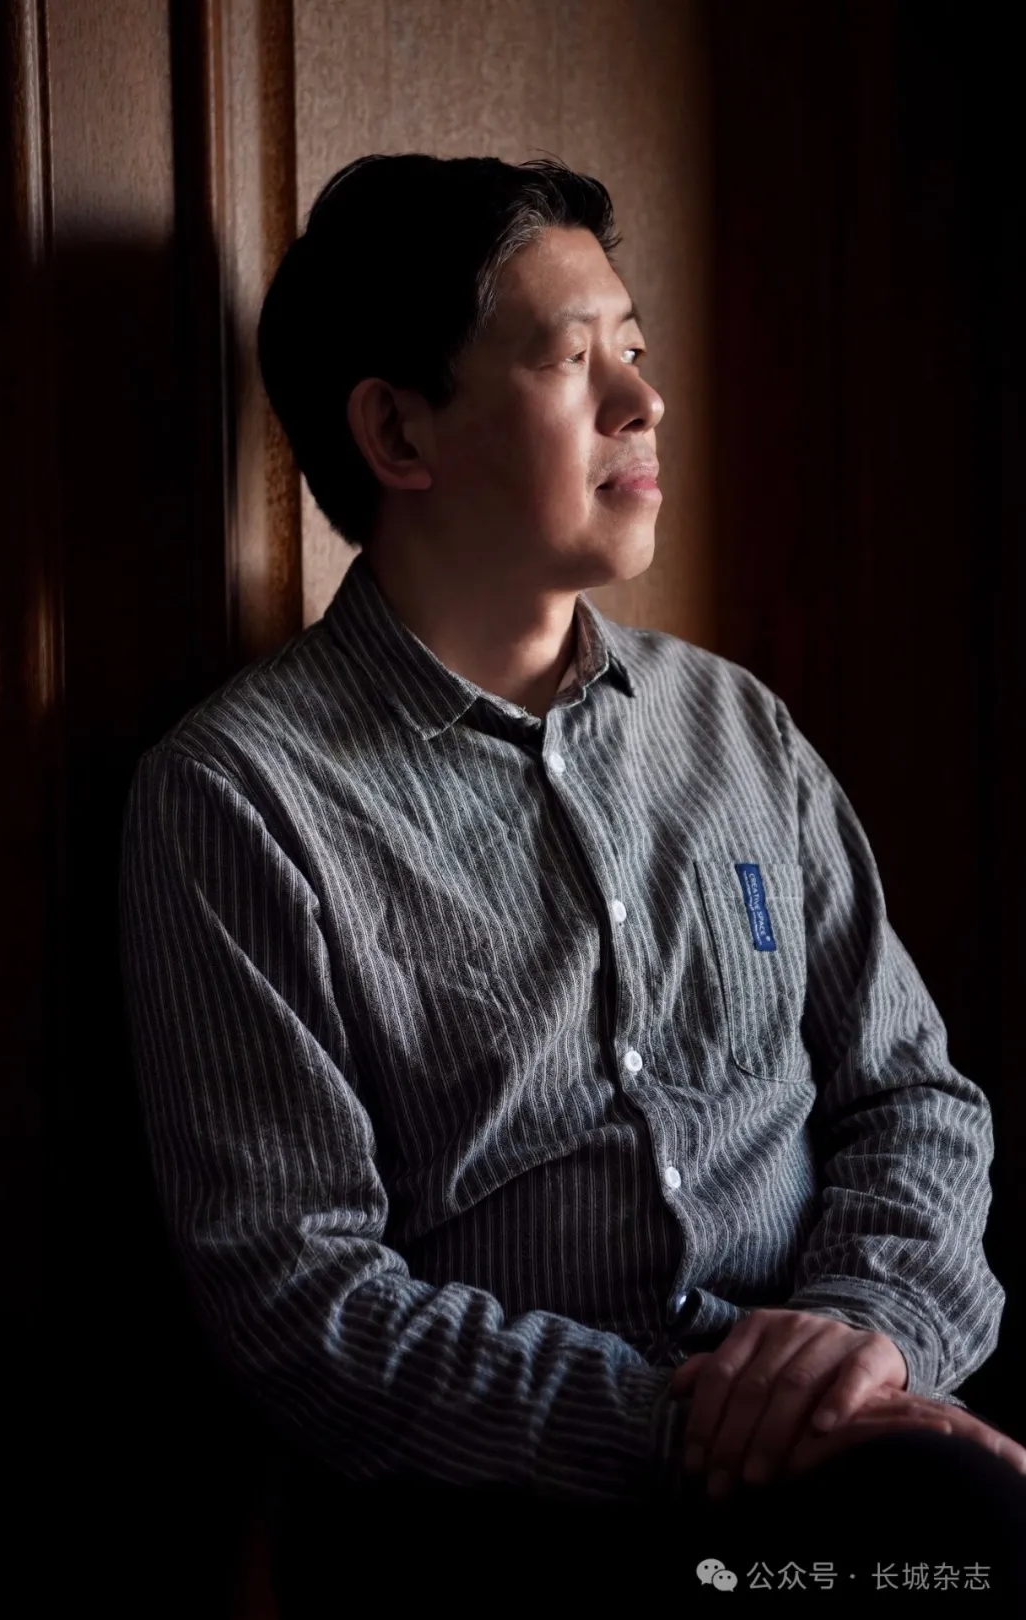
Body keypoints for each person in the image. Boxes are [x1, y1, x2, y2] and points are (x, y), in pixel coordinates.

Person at [119, 154, 1026, 1610]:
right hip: (515, 1514)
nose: (644, 401)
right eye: (573, 358)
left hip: (853, 1440)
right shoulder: (238, 800)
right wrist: (688, 1425)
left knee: (950, 1526)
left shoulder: (733, 727)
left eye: (638, 351)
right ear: (398, 430)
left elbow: (911, 1096)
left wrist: (865, 1334)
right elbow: (303, 1301)